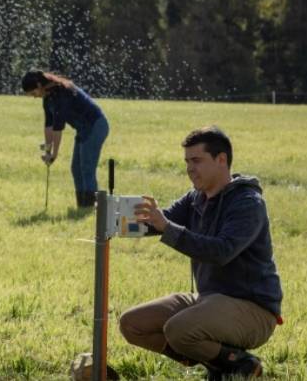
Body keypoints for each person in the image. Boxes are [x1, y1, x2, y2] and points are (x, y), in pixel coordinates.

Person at [119, 126, 283, 380]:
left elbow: (221, 251)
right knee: (132, 324)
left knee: (179, 330)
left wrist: (166, 227)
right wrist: (114, 216)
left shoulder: (248, 203)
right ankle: (217, 363)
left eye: (196, 160)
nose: (189, 168)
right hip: (209, 299)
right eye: (186, 161)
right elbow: (161, 221)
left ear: (221, 160)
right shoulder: (196, 197)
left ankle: (241, 364)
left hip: (253, 309)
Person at [21, 69, 110, 208]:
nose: (34, 96)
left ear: (39, 85)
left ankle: (91, 207)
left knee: (86, 168)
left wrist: (54, 154)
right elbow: (49, 125)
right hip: (82, 129)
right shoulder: (47, 98)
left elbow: (58, 128)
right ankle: (82, 206)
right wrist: (47, 151)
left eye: (33, 93)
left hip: (96, 126)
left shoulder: (61, 93)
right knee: (76, 168)